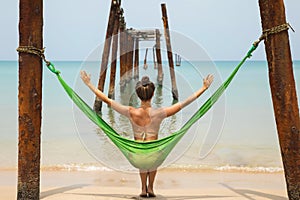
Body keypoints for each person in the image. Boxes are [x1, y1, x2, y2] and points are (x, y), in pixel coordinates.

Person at [80, 71, 213, 198]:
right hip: (154, 155)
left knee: (141, 154)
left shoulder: (130, 112)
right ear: (153, 94)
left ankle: (143, 188)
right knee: (154, 154)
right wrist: (204, 88)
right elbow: (184, 104)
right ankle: (151, 188)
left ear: (138, 95)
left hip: (137, 156)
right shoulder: (159, 113)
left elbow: (106, 100)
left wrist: (89, 84)